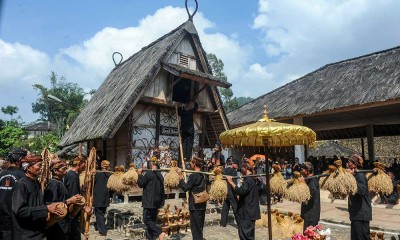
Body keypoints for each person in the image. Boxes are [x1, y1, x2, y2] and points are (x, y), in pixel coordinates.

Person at [12, 154, 65, 240]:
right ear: (28, 167)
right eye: (39, 165)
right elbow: (20, 211)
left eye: (42, 165)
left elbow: (38, 205)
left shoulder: (37, 184)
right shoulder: (21, 185)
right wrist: (46, 208)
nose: (42, 168)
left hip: (38, 233)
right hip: (26, 235)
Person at [44, 159, 83, 240]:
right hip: (57, 225)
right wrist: (69, 201)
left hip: (62, 223)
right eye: (63, 169)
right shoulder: (54, 184)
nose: (65, 172)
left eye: (66, 169)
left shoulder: (59, 182)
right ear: (55, 170)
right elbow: (52, 205)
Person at [226, 160, 261, 240]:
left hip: (247, 214)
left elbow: (241, 191)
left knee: (246, 236)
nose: (241, 169)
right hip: (249, 212)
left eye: (242, 167)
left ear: (246, 168)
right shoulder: (251, 179)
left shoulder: (249, 180)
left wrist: (231, 182)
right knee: (248, 236)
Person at [0, 147, 27, 240]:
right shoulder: (23, 177)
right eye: (25, 158)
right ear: (20, 159)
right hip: (16, 224)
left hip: (2, 222)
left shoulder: (1, 174)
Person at [177, 157, 207, 240]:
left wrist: (180, 177)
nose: (190, 164)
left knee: (195, 228)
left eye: (191, 163)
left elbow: (185, 188)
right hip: (202, 204)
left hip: (195, 205)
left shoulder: (193, 176)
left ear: (194, 164)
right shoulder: (204, 175)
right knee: (200, 227)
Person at [137, 159, 166, 240]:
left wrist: (139, 174)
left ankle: (160, 232)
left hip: (149, 202)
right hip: (157, 202)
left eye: (150, 164)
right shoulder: (160, 175)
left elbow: (140, 184)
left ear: (152, 165)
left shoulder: (149, 174)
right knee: (152, 221)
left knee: (146, 220)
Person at [346, 154, 372, 240]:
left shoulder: (360, 175)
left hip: (361, 214)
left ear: (355, 164)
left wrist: (352, 177)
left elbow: (362, 191)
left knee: (362, 237)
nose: (347, 164)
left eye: (349, 162)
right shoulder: (355, 175)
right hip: (356, 213)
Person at [63, 156, 86, 240]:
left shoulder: (70, 174)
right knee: (74, 233)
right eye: (84, 164)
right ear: (79, 164)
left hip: (69, 207)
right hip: (72, 209)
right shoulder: (73, 176)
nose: (85, 167)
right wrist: (83, 207)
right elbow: (73, 195)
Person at [93, 160, 113, 237]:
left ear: (102, 166)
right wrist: (111, 196)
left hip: (98, 196)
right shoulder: (110, 175)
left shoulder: (97, 174)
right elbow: (112, 187)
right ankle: (97, 226)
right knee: (102, 212)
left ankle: (102, 231)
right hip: (106, 196)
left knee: (99, 213)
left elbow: (93, 184)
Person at [299, 162, 320, 231]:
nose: (301, 171)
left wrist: (304, 184)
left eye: (302, 169)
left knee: (308, 236)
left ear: (308, 170)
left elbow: (312, 194)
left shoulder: (312, 181)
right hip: (308, 214)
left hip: (311, 215)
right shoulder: (308, 179)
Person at [220, 158, 239, 227]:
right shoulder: (233, 171)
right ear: (232, 163)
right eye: (236, 164)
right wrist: (236, 193)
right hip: (232, 192)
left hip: (226, 192)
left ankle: (223, 223)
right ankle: (240, 224)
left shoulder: (224, 170)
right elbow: (234, 183)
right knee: (236, 208)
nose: (237, 166)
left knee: (225, 208)